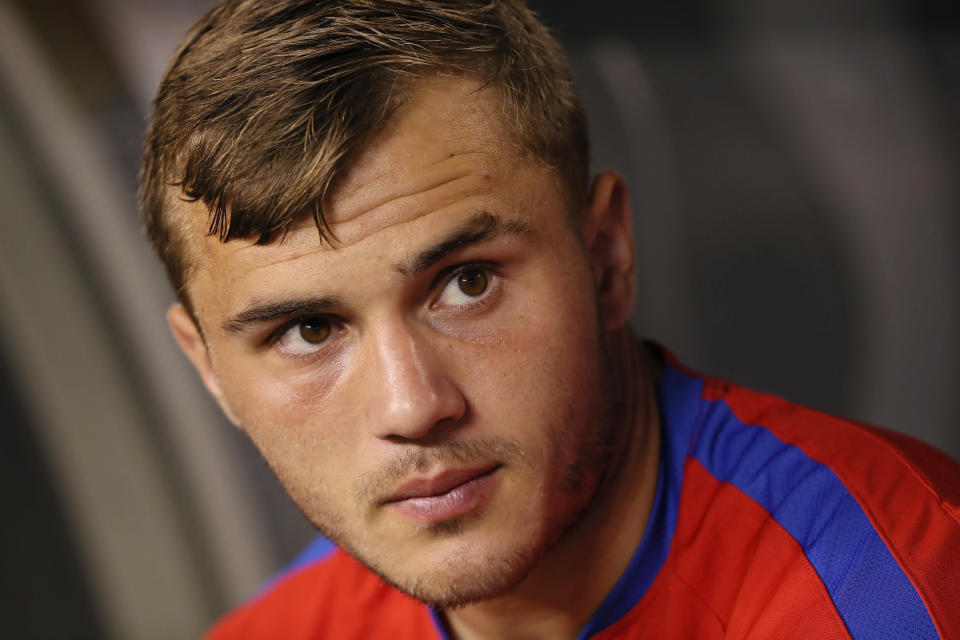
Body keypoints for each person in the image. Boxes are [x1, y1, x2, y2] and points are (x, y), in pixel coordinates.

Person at [139, 1, 960, 638]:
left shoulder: (887, 588)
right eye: (309, 331)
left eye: (465, 284)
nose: (411, 406)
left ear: (605, 258)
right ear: (209, 368)